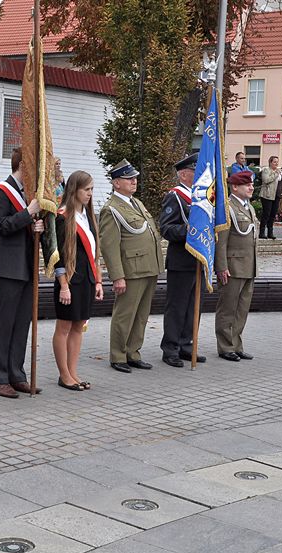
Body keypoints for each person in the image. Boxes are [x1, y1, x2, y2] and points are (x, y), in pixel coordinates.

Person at [0, 148, 45, 398]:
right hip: (9, 269)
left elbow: (23, 225)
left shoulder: (28, 194)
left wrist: (36, 226)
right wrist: (28, 214)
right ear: (23, 164)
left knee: (22, 324)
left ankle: (16, 374)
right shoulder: (1, 192)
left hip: (28, 268)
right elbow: (2, 227)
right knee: (5, 324)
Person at [99, 159, 163, 373]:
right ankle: (118, 355)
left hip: (148, 266)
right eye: (129, 178)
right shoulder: (111, 209)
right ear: (116, 183)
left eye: (134, 178)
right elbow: (109, 246)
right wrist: (117, 276)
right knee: (125, 314)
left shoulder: (136, 203)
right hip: (131, 270)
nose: (134, 181)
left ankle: (133, 352)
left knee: (141, 315)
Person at [52, 171, 103, 390]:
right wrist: (63, 285)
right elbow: (58, 256)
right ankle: (64, 374)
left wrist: (98, 281)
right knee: (64, 327)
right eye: (86, 190)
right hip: (70, 281)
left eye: (92, 189)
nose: (90, 194)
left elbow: (94, 252)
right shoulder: (62, 217)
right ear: (75, 190)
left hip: (87, 280)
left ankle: (73, 372)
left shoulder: (88, 217)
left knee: (78, 326)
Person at [159, 153, 205, 368]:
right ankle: (170, 348)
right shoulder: (175, 196)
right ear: (184, 174)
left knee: (193, 307)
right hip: (181, 260)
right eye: (195, 171)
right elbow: (166, 228)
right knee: (177, 307)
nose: (199, 175)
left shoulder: (201, 197)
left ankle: (186, 345)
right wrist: (188, 230)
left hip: (199, 259)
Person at [214, 171, 258, 362]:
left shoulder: (248, 208)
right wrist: (221, 266)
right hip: (232, 266)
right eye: (246, 184)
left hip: (248, 266)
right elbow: (221, 242)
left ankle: (236, 344)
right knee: (228, 308)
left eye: (252, 184)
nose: (251, 187)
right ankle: (225, 347)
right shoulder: (227, 208)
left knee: (242, 309)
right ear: (234, 187)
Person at [259, 156, 281, 239]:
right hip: (267, 195)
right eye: (274, 162)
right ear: (270, 162)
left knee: (273, 214)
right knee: (266, 214)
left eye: (277, 162)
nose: (276, 163)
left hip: (276, 195)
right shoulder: (266, 170)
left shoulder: (279, 172)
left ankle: (270, 232)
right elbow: (266, 180)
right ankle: (262, 232)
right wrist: (275, 174)